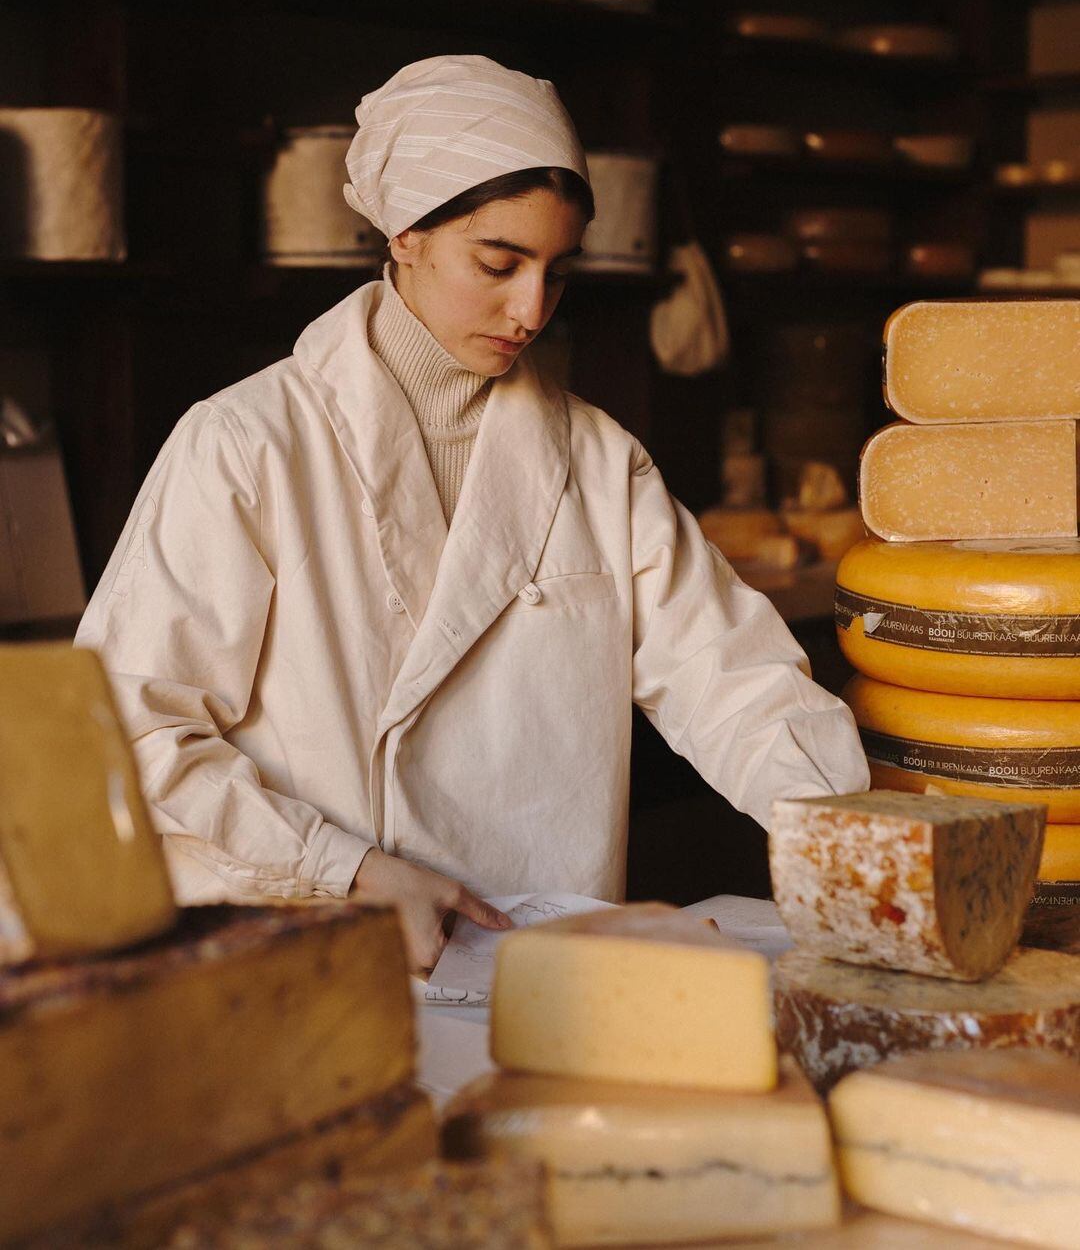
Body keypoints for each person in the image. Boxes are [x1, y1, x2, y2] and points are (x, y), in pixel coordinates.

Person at [76, 56, 869, 973]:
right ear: (405, 234)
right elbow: (133, 732)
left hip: (536, 967)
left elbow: (733, 682)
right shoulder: (246, 445)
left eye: (558, 274)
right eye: (498, 263)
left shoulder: (597, 460)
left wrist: (854, 841)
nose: (531, 310)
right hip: (320, 950)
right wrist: (350, 868)